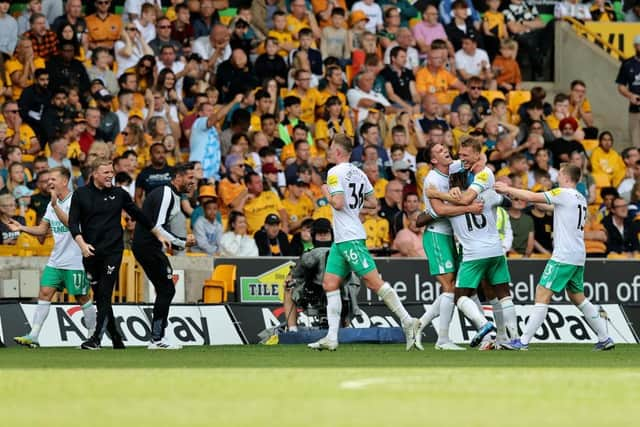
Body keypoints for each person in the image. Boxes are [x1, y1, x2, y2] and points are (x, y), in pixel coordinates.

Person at [308, 134, 419, 351]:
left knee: (373, 282)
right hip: (341, 240)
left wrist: (326, 193)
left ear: (338, 152)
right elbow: (372, 203)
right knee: (329, 284)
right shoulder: (359, 173)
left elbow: (338, 203)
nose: (329, 152)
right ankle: (331, 337)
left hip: (349, 238)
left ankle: (408, 321)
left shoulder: (333, 173)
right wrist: (353, 206)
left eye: (331, 149)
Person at [495, 164, 615, 351]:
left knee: (542, 292)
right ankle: (605, 337)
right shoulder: (580, 198)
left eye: (559, 173)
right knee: (577, 297)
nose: (556, 176)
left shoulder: (563, 193)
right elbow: (547, 206)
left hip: (564, 255)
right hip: (577, 254)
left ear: (566, 177)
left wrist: (507, 189)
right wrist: (521, 197)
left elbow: (534, 196)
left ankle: (523, 341)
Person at [68, 158, 169, 350]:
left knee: (105, 293)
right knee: (99, 296)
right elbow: (73, 223)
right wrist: (81, 244)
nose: (110, 175)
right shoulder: (80, 194)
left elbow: (138, 214)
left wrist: (157, 232)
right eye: (105, 172)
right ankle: (115, 336)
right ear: (95, 174)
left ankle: (96, 339)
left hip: (113, 250)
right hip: (89, 252)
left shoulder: (119, 194)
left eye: (111, 172)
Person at [427, 138, 518, 348]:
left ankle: (484, 325)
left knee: (459, 297)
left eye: (465, 155)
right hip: (496, 251)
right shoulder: (489, 196)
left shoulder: (459, 200)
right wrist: (506, 195)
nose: (461, 158)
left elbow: (439, 211)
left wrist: (436, 194)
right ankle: (510, 339)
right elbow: (508, 202)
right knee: (503, 295)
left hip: (474, 254)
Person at [10, 168, 96, 348]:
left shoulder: (77, 200)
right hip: (56, 260)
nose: (49, 183)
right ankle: (33, 335)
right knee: (44, 293)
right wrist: (22, 228)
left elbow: (71, 224)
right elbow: (42, 230)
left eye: (53, 179)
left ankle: (92, 336)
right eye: (48, 180)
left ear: (64, 181)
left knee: (82, 297)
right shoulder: (51, 204)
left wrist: (56, 205)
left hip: (75, 261)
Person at [415, 142, 483, 350]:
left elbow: (479, 160)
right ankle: (442, 339)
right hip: (436, 235)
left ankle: (419, 325)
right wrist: (469, 207)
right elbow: (440, 211)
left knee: (453, 288)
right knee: (449, 287)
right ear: (434, 160)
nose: (445, 150)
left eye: (445, 147)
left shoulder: (453, 168)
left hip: (450, 237)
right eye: (439, 150)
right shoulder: (432, 179)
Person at [132, 163, 196, 350]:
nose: (193, 182)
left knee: (166, 288)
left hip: (150, 246)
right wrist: (182, 242)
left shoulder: (174, 195)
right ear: (178, 177)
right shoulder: (167, 194)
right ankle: (157, 338)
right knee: (166, 289)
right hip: (146, 246)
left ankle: (158, 335)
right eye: (190, 178)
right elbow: (157, 226)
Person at [616, 35, 640, 148]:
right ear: (635, 46)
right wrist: (631, 95)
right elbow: (621, 86)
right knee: (636, 142)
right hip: (635, 109)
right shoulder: (628, 64)